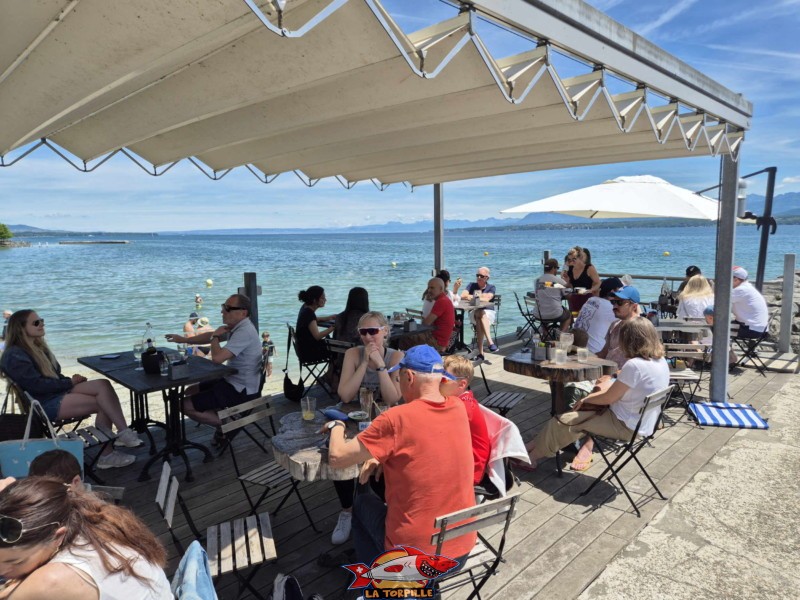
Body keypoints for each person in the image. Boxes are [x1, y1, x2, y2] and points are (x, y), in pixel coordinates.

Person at [327, 345, 476, 564]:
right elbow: (424, 441)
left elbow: (337, 458)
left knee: (360, 504)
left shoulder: (396, 418)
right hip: (461, 548)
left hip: (414, 557)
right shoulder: (457, 406)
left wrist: (337, 424)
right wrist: (380, 455)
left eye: (399, 379)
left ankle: (376, 583)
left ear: (409, 376)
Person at [0, 310, 141, 470]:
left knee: (103, 384)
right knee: (103, 403)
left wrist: (70, 381)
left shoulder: (37, 347)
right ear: (20, 328)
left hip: (54, 392)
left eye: (42, 320)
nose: (42, 324)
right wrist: (69, 383)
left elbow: (53, 377)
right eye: (36, 323)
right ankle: (107, 455)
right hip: (45, 404)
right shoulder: (15, 355)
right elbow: (38, 386)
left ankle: (123, 433)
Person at [526, 318, 669, 471]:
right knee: (576, 415)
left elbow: (609, 398)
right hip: (644, 423)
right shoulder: (660, 361)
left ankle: (530, 458)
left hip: (625, 425)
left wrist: (587, 398)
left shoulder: (635, 365)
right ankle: (529, 448)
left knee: (564, 421)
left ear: (629, 340)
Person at [0, 477, 172, 598]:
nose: (2, 571)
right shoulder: (86, 520)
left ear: (57, 536)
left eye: (15, 562)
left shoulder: (53, 580)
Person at [331, 312, 404, 546]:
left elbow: (393, 397)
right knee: (339, 457)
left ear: (385, 331)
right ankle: (347, 510)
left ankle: (380, 508)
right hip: (355, 419)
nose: (369, 337)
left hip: (384, 421)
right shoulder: (353, 354)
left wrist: (381, 366)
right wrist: (364, 363)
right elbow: (345, 394)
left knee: (382, 463)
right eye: (364, 332)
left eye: (374, 331)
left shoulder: (395, 357)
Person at [166, 293, 262, 427]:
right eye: (223, 306)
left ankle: (228, 424)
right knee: (190, 390)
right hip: (232, 381)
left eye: (228, 308)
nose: (222, 311)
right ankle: (221, 414)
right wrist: (184, 339)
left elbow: (217, 359)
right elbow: (209, 336)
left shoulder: (244, 332)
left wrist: (215, 337)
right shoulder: (238, 326)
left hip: (241, 390)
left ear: (243, 312)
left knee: (182, 405)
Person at [441, 355, 491, 485]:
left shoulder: (462, 407)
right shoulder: (460, 400)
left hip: (470, 470)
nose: (437, 382)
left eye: (443, 378)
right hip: (464, 461)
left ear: (462, 384)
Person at [573, 277, 623, 354]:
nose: (622, 295)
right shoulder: (611, 307)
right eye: (620, 291)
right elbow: (630, 323)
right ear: (612, 292)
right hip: (594, 352)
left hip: (575, 346)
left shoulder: (591, 299)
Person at [460, 267, 497, 356]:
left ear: (487, 278)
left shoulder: (491, 287)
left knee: (480, 315)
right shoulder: (471, 285)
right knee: (479, 314)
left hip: (488, 313)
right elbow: (462, 295)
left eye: (481, 276)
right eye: (477, 275)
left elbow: (488, 298)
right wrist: (480, 296)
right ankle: (490, 342)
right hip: (474, 312)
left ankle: (481, 353)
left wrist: (471, 296)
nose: (479, 278)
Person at [295, 286, 336, 364]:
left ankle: (332, 373)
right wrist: (334, 327)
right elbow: (318, 336)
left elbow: (312, 320)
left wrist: (328, 318)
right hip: (310, 353)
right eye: (322, 298)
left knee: (333, 344)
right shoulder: (309, 313)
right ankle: (333, 373)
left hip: (303, 349)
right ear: (314, 300)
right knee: (339, 350)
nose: (325, 300)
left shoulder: (305, 307)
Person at [533, 259, 571, 331]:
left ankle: (545, 335)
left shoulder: (536, 281)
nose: (557, 270)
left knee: (544, 314)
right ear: (553, 268)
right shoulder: (559, 280)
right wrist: (568, 283)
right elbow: (568, 296)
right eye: (557, 268)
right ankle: (561, 335)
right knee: (568, 315)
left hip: (538, 314)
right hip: (554, 313)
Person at [731, 267, 769, 339]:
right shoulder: (747, 287)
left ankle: (721, 349)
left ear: (736, 279)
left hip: (751, 330)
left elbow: (720, 302)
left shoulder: (741, 290)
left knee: (717, 328)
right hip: (759, 328)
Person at [421, 277, 456, 353]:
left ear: (441, 289)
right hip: (442, 341)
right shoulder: (445, 299)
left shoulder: (441, 301)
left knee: (403, 339)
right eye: (428, 288)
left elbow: (426, 323)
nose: (429, 290)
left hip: (437, 342)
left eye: (432, 288)